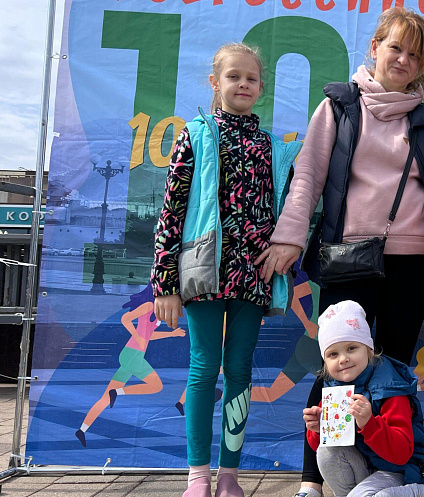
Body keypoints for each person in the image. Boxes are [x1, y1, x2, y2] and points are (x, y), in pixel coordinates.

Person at [258, 8, 424, 497]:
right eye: (395, 47)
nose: (403, 60)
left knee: (394, 374)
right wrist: (289, 236)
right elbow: (308, 175)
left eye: (414, 55)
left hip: (412, 263)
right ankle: (316, 479)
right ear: (375, 48)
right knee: (339, 368)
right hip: (348, 257)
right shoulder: (339, 106)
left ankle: (393, 474)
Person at [151, 42, 301, 497]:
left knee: (239, 370)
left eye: (251, 78)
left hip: (253, 274)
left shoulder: (271, 147)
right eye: (234, 76)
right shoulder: (195, 135)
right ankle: (198, 475)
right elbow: (172, 209)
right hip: (204, 269)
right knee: (203, 368)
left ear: (261, 87)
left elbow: (287, 210)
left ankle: (230, 475)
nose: (243, 84)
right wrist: (165, 282)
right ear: (215, 82)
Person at [303, 300, 424, 497]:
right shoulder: (335, 389)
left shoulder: (390, 389)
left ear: (369, 350)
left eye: (351, 348)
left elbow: (401, 455)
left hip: (402, 470)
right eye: (333, 354)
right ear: (325, 362)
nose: (343, 359)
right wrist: (319, 430)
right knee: (327, 452)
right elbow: (323, 452)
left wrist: (369, 423)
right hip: (368, 467)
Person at [75, 284, 185, 447]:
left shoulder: (155, 309)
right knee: (156, 385)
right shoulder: (148, 306)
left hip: (132, 356)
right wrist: (137, 337)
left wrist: (171, 334)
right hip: (132, 354)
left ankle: (82, 430)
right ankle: (117, 392)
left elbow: (148, 335)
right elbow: (125, 319)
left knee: (105, 398)